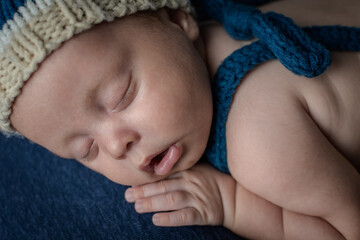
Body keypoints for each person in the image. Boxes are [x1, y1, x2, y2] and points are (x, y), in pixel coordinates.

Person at [1, 0, 359, 239]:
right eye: (86, 149)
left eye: (121, 96)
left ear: (176, 18)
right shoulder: (230, 22)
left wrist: (231, 203)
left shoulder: (258, 139)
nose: (115, 144)